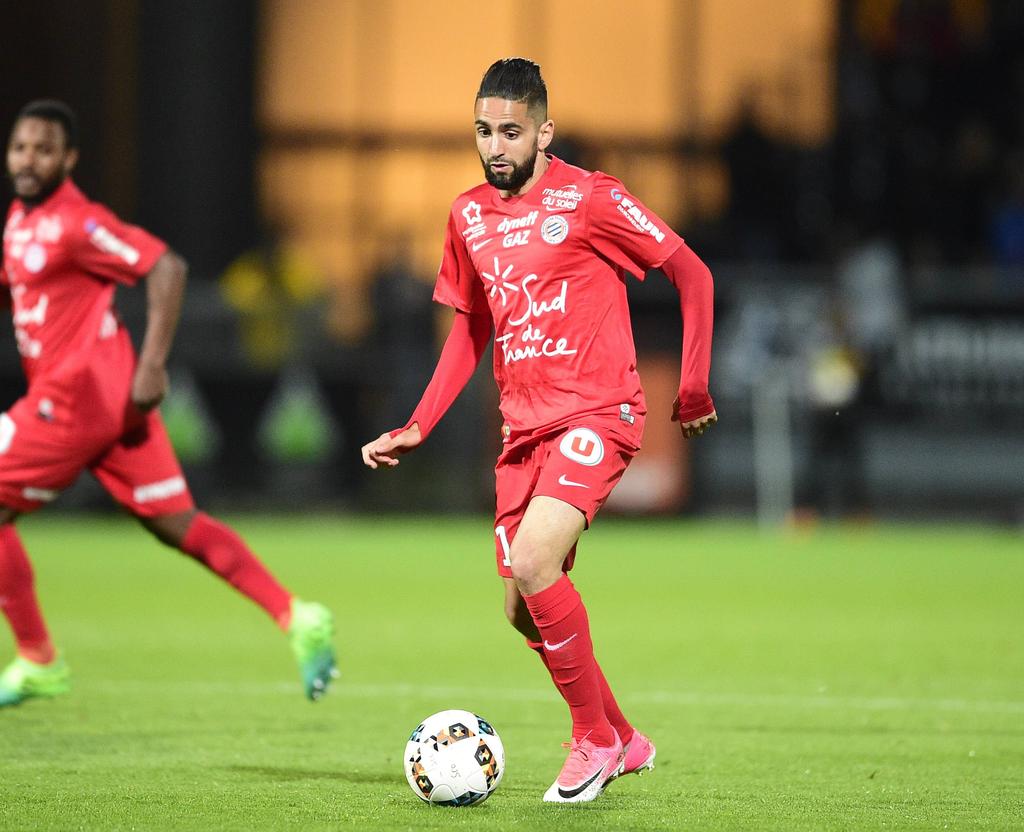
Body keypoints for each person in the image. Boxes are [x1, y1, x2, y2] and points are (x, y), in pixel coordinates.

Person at [362, 59, 716, 803]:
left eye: (511, 131)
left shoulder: (592, 199)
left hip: (598, 411)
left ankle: (590, 742)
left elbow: (694, 275)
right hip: (522, 432)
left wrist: (690, 386)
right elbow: (470, 332)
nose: (495, 145)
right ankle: (623, 736)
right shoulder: (466, 215)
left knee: (532, 562)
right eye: (484, 131)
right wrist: (420, 423)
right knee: (522, 606)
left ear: (543, 131)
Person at [0, 100, 338, 707]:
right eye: (21, 147)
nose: (29, 160)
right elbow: (29, 289)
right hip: (110, 409)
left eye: (43, 149)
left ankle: (38, 658)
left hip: (76, 400)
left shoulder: (77, 221)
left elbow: (166, 266)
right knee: (176, 524)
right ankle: (296, 614)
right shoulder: (21, 221)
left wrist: (153, 362)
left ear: (68, 159)